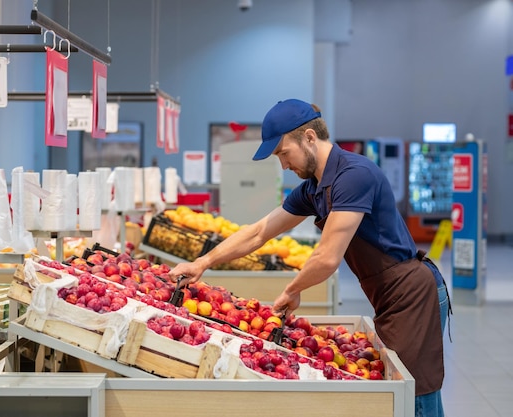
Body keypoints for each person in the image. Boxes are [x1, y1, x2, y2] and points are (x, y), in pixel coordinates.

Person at [169, 99, 450, 417]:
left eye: (283, 153)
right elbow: (260, 231)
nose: (284, 166)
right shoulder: (315, 188)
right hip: (389, 296)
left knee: (415, 393)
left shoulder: (353, 176)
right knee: (403, 389)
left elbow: (327, 257)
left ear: (309, 138)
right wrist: (202, 262)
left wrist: (292, 289)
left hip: (414, 294)